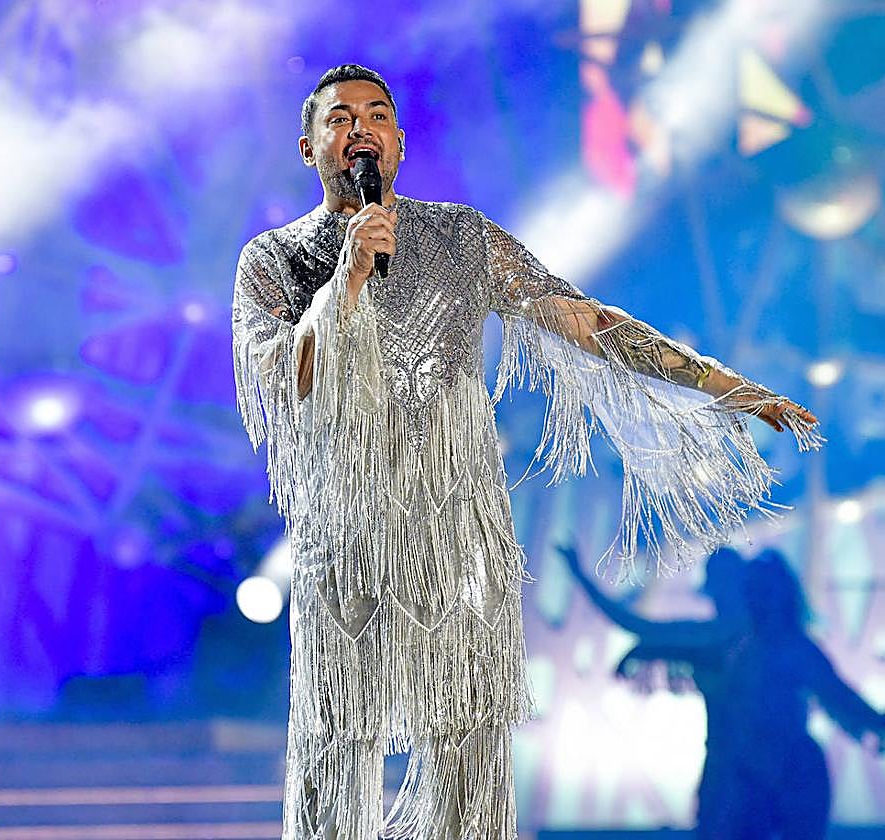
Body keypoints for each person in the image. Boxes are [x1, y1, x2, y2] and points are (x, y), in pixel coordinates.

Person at [232, 63, 820, 840]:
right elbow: (285, 383)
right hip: (345, 541)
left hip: (456, 536)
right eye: (340, 119)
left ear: (400, 144)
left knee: (469, 769)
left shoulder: (461, 238)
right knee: (335, 755)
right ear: (310, 147)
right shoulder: (274, 260)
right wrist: (345, 280)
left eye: (377, 116)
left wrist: (719, 384)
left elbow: (585, 321)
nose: (360, 131)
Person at [565, 545, 885, 840]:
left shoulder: (773, 646)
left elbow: (838, 695)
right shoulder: (732, 642)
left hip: (768, 778)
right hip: (744, 779)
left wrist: (878, 722)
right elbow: (840, 696)